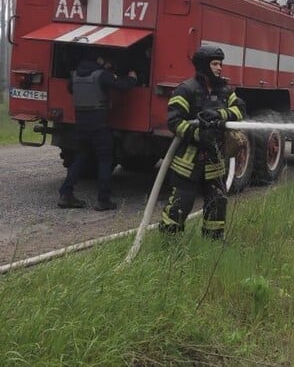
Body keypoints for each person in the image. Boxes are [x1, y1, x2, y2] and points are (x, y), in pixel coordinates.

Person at [158, 44, 245, 240]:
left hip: (215, 158)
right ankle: (169, 242)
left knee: (217, 202)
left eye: (220, 64)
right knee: (182, 202)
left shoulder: (224, 90)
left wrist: (220, 113)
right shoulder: (186, 89)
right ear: (204, 65)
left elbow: (240, 110)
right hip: (189, 159)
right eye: (215, 64)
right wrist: (197, 134)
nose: (219, 68)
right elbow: (174, 121)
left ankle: (212, 242)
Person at [58, 49, 137, 211]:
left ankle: (66, 194)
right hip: (99, 126)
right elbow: (122, 85)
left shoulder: (75, 75)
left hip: (81, 125)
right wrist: (132, 78)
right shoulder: (101, 75)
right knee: (104, 161)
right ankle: (103, 200)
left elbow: (71, 89)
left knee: (80, 158)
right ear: (98, 60)